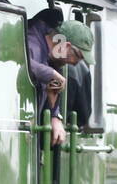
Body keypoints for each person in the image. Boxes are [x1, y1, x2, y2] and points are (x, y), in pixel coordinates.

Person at [25, 9, 95, 146]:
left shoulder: (55, 59)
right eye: (78, 57)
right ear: (67, 46)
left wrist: (54, 115)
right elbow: (21, 63)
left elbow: (50, 92)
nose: (75, 64)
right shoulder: (33, 43)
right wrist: (50, 74)